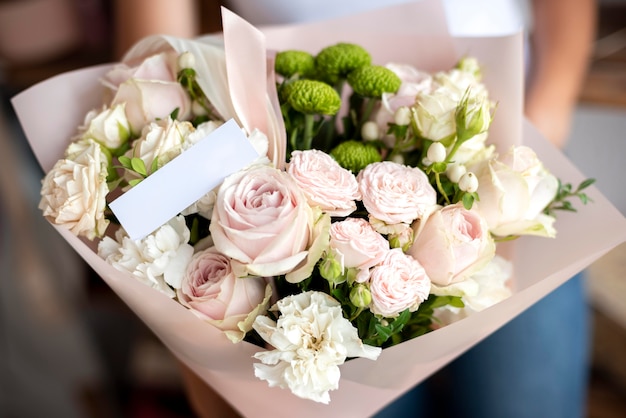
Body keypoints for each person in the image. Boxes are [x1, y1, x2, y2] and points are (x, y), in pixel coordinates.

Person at [113, 0, 597, 417]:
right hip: (293, 182)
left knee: (528, 401)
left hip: (492, 158)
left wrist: (537, 129)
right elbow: (157, 53)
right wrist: (191, 332)